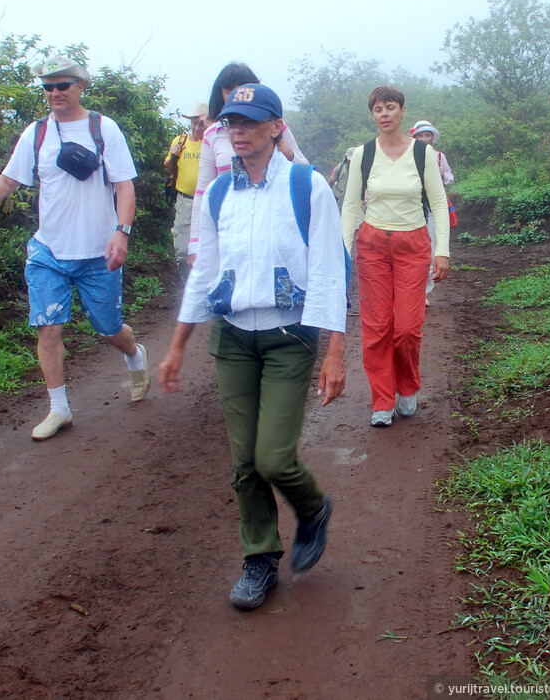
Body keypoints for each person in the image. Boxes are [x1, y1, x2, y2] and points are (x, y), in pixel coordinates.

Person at [158, 84, 347, 611]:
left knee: (273, 457)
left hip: (290, 338)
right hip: (234, 338)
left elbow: (331, 270)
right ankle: (259, 558)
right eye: (229, 123)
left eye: (248, 121)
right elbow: (204, 275)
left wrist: (335, 352)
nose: (236, 131)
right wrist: (176, 346)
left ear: (275, 128)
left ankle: (313, 508)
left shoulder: (307, 186)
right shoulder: (218, 194)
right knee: (244, 461)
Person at [0, 56, 150, 441]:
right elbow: (7, 182)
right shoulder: (37, 133)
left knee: (108, 328)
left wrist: (121, 232)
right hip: (49, 251)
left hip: (98, 252)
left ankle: (135, 355)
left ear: (81, 86)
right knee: (48, 328)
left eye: (63, 85)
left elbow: (125, 186)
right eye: (48, 87)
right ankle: (59, 409)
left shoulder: (102, 129)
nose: (55, 93)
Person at [340, 88, 450, 428]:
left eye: (390, 107)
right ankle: (382, 400)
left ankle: (407, 386)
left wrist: (441, 250)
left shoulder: (423, 152)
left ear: (402, 112)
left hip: (413, 246)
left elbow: (439, 203)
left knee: (406, 328)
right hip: (372, 245)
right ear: (372, 115)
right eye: (377, 108)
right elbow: (351, 204)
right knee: (376, 328)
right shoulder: (363, 154)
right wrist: (344, 251)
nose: (384, 113)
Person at [187, 63, 309, 265]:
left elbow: (304, 167)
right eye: (229, 89)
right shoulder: (213, 134)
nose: (238, 93)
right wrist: (195, 244)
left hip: (275, 218)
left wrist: (289, 154)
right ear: (220, 94)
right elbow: (203, 191)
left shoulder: (273, 125)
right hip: (228, 224)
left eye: (243, 86)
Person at [410, 120, 455, 299]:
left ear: (432, 137)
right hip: (414, 207)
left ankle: (424, 292)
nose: (424, 138)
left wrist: (442, 174)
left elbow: (450, 177)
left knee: (432, 247)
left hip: (434, 207)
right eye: (420, 135)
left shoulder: (439, 156)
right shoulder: (408, 155)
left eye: (427, 135)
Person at [164, 103, 207, 279]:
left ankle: (204, 284)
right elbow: (168, 169)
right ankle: (187, 283)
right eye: (193, 123)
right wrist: (172, 156)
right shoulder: (180, 142)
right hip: (185, 201)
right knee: (182, 249)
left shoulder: (212, 142)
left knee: (207, 247)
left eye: (201, 123)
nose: (197, 127)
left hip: (207, 202)